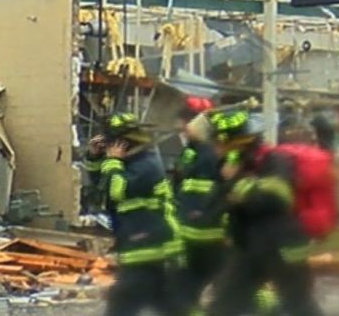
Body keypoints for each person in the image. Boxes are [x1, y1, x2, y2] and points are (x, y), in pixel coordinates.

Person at [207, 109, 323, 316]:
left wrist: (237, 185)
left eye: (217, 143)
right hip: (250, 247)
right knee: (224, 304)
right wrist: (230, 185)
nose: (215, 148)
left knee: (299, 304)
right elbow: (216, 203)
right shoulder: (232, 165)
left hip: (282, 245)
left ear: (232, 142)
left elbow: (276, 198)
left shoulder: (274, 160)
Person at [86, 113, 186, 316]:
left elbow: (117, 191)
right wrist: (95, 157)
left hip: (151, 243)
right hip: (141, 240)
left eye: (110, 142)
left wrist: (113, 161)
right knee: (168, 304)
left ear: (122, 143)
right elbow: (101, 184)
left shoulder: (146, 165)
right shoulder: (129, 162)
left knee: (123, 302)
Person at [171, 97, 225, 311]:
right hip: (191, 233)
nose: (181, 129)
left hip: (209, 235)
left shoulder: (211, 155)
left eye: (185, 123)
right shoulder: (192, 152)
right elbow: (180, 184)